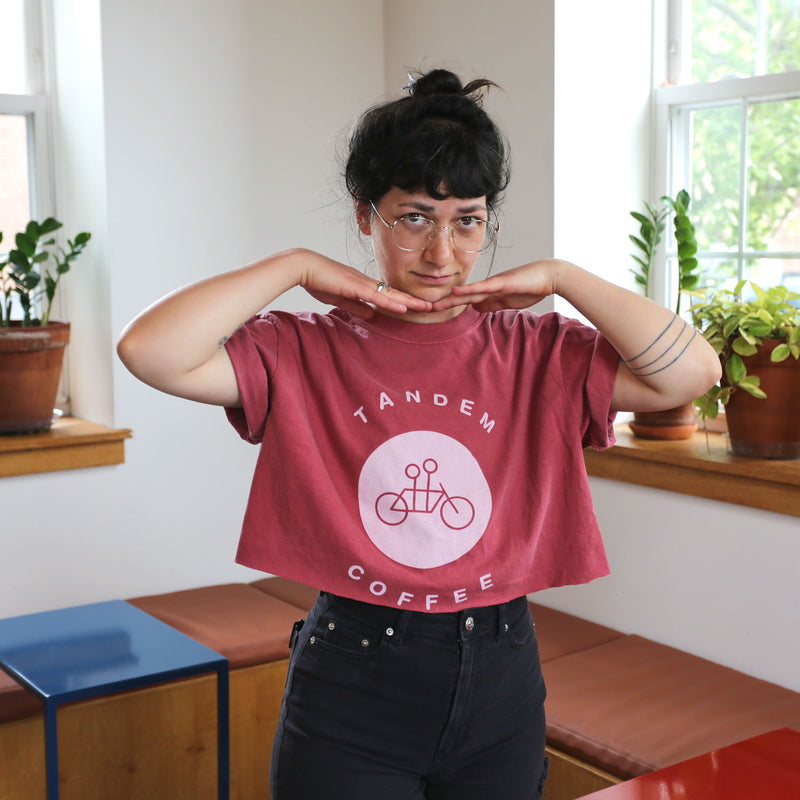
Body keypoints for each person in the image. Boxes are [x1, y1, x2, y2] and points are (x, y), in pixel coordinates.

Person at [117, 68, 721, 800]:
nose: (441, 253)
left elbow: (691, 372)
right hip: (352, 684)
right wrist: (294, 267)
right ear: (365, 215)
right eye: (413, 218)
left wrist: (564, 277)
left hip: (502, 675)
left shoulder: (536, 351)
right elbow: (149, 351)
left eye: (467, 221)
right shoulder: (302, 347)